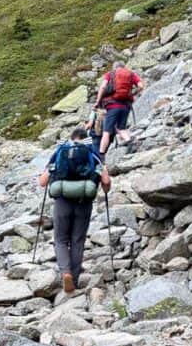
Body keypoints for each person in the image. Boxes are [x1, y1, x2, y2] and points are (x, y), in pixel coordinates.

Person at [38, 127, 112, 293]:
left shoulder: (61, 151)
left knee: (60, 239)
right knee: (77, 241)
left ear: (71, 138)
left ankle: (65, 273)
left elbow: (43, 182)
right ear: (85, 138)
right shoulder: (92, 152)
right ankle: (75, 281)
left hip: (62, 201)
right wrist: (104, 188)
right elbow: (106, 181)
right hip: (84, 202)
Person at [94, 61, 144, 159]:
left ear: (114, 67)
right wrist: (132, 94)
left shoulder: (110, 74)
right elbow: (141, 86)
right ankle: (129, 141)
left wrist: (98, 101)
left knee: (106, 131)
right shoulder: (131, 74)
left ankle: (101, 155)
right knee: (121, 128)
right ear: (124, 67)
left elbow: (103, 86)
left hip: (112, 106)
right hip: (126, 106)